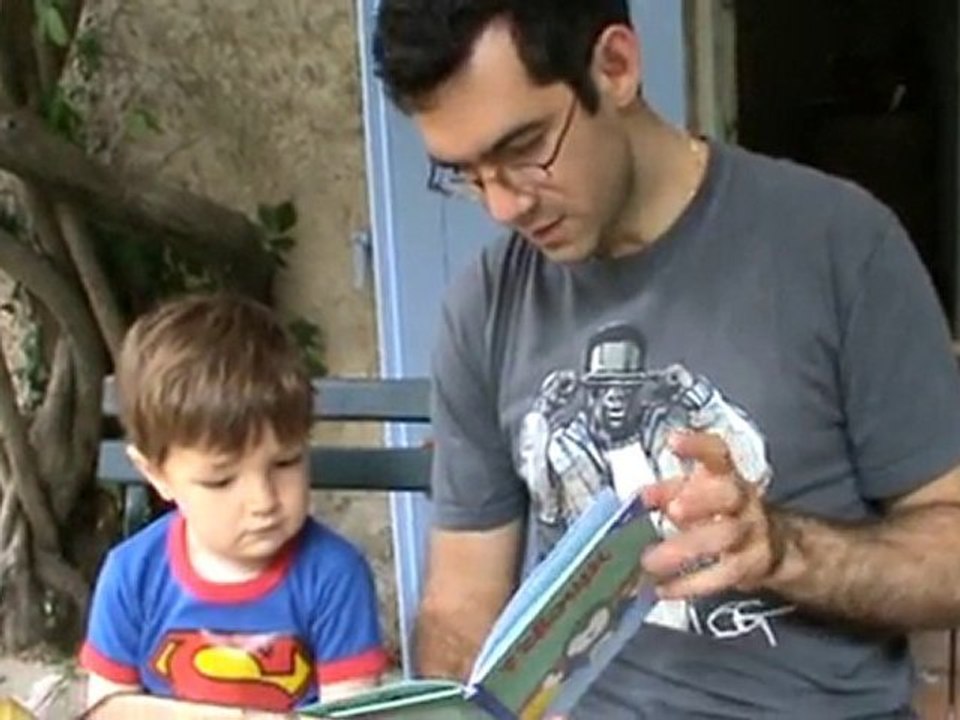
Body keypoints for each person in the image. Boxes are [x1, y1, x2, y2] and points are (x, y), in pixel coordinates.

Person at [372, 1, 960, 717]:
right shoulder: (486, 305)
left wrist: (782, 550)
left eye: (524, 148)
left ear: (615, 66)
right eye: (465, 173)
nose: (503, 206)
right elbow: (463, 604)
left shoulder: (841, 245)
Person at [79, 294, 388, 714]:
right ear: (156, 475)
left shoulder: (333, 574)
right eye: (221, 480)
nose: (263, 502)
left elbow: (351, 709)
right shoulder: (132, 574)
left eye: (286, 462)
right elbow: (109, 709)